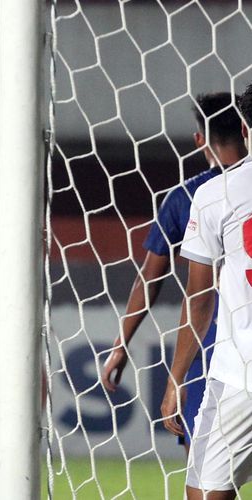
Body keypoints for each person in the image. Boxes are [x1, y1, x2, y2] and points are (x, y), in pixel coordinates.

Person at [101, 93, 246, 451]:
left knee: (206, 474)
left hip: (211, 354)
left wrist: (121, 346)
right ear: (245, 130)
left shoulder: (188, 197)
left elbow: (149, 278)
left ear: (199, 139)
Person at [160, 82, 252, 499]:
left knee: (203, 493)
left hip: (240, 374)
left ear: (246, 128)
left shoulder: (214, 194)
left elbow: (199, 298)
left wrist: (176, 377)